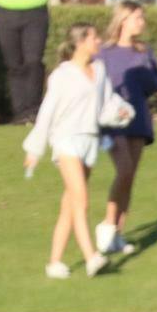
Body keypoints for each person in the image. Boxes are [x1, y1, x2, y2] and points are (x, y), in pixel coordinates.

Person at [23, 24, 115, 280]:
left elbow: (107, 104)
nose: (99, 41)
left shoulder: (99, 69)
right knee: (81, 199)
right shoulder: (61, 76)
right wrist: (35, 149)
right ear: (82, 42)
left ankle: (54, 262)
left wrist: (122, 113)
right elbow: (47, 114)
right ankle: (91, 257)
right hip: (66, 141)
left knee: (69, 205)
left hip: (90, 141)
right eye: (94, 37)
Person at [96, 0, 157, 258]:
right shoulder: (103, 52)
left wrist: (146, 71)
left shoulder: (144, 51)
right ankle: (108, 225)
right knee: (123, 170)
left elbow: (155, 84)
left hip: (138, 118)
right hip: (111, 120)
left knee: (130, 175)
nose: (141, 22)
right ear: (123, 20)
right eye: (137, 17)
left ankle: (117, 234)